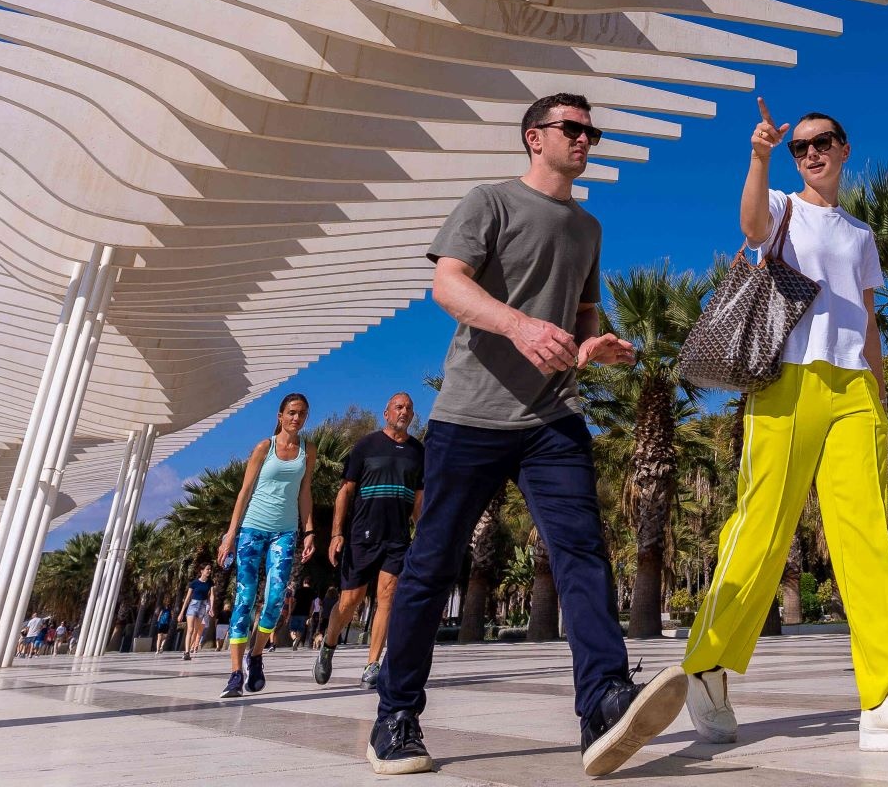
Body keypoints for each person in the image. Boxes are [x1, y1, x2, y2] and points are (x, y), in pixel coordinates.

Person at [369, 92, 678, 778]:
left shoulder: (587, 228)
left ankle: (601, 701)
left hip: (553, 417)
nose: (586, 139)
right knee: (429, 566)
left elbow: (583, 318)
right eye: (573, 128)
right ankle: (395, 715)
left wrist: (597, 347)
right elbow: (446, 287)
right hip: (469, 417)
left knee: (581, 554)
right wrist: (517, 325)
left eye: (591, 130)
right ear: (534, 137)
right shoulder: (491, 201)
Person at [678, 104, 888, 755]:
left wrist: (878, 391)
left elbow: (866, 315)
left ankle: (887, 695)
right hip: (784, 382)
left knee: (865, 538)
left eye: (821, 143)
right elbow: (748, 228)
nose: (810, 154)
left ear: (843, 148)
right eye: (800, 147)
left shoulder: (859, 234)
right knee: (762, 526)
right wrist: (757, 155)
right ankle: (707, 667)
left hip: (852, 387)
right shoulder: (780, 204)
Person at [318, 391, 425, 689]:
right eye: (398, 407)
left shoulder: (419, 452)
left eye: (409, 408)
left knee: (387, 598)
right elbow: (345, 491)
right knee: (351, 599)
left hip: (397, 538)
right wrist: (337, 534)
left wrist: (425, 535)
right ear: (386, 413)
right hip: (362, 535)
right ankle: (328, 646)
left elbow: (418, 499)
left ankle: (372, 664)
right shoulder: (366, 445)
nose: (404, 412)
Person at [218, 391, 317, 699]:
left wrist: (309, 531)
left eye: (301, 413)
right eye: (291, 412)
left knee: (275, 599)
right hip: (251, 530)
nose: (296, 418)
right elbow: (245, 491)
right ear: (280, 416)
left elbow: (304, 492)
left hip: (285, 532)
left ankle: (256, 654)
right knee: (245, 599)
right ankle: (235, 674)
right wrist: (231, 534)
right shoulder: (265, 447)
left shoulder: (307, 450)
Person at [181, 561, 214, 659]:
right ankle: (187, 653)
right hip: (193, 605)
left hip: (203, 606)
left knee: (196, 630)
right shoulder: (194, 583)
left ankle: (190, 649)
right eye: (207, 569)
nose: (209, 571)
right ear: (202, 571)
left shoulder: (210, 582)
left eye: (210, 569)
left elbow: (212, 595)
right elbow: (187, 598)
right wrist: (182, 612)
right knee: (190, 629)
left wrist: (211, 608)